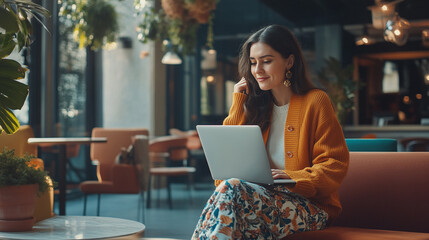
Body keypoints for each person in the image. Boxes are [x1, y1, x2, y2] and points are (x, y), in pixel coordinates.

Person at [192, 24, 349, 239]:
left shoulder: (316, 101)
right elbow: (223, 178)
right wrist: (238, 102)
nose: (257, 70)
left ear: (289, 62)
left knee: (233, 196)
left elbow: (334, 165)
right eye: (254, 62)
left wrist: (293, 178)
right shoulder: (255, 107)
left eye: (266, 61)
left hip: (312, 209)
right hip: (258, 201)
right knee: (231, 192)